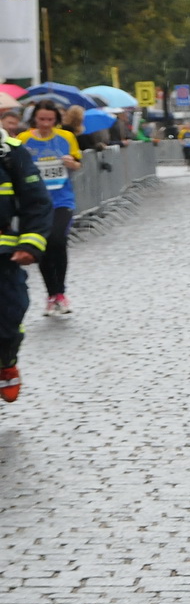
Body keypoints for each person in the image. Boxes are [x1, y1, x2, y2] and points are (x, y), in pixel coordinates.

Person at [0, 120, 52, 401]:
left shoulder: (9, 151)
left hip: (3, 255)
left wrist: (31, 242)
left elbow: (37, 201)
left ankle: (6, 362)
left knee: (10, 315)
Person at [20, 102, 80, 317]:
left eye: (50, 120)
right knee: (42, 246)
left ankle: (61, 292)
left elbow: (78, 162)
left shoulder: (66, 137)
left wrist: (71, 163)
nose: (45, 123)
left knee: (57, 240)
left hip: (62, 200)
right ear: (34, 119)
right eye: (41, 119)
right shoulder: (23, 140)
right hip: (35, 202)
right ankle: (52, 294)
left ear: (56, 120)